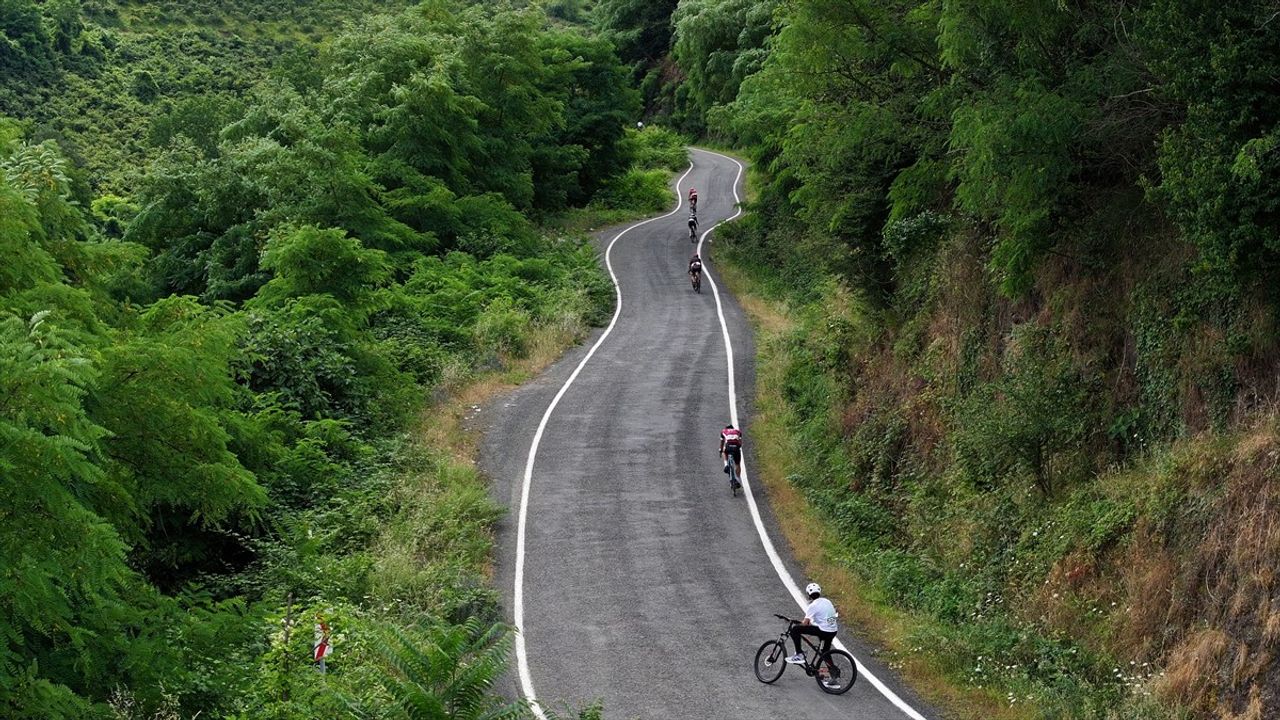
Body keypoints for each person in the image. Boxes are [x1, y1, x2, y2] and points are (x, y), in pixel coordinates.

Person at [786, 582, 839, 671]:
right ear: (819, 592)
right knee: (825, 652)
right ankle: (833, 673)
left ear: (808, 595)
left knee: (795, 630)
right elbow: (829, 617)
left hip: (824, 631)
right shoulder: (827, 601)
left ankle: (799, 654)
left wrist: (797, 623)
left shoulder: (813, 606)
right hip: (833, 630)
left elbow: (805, 623)